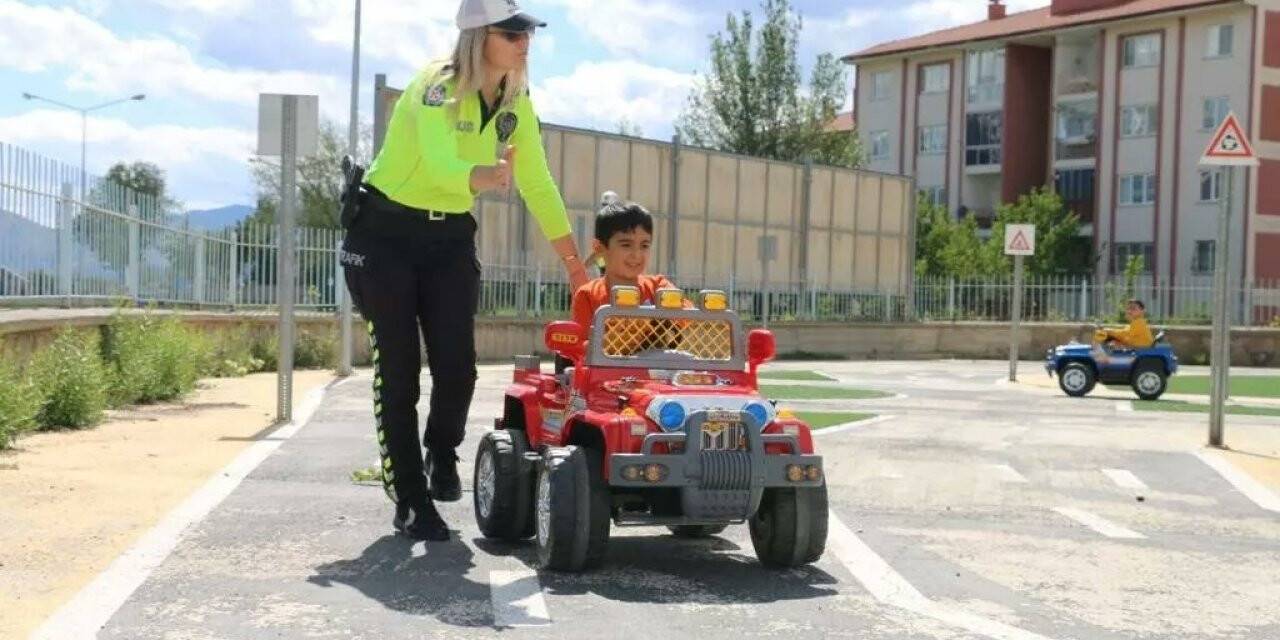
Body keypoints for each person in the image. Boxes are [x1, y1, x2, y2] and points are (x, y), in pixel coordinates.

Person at [339, 0, 589, 542]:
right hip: (384, 234)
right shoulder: (436, 85)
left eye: (528, 32)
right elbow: (434, 160)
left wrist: (572, 263)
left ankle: (440, 450)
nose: (526, 42)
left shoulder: (516, 99)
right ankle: (409, 499)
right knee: (399, 370)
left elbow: (537, 182)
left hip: (448, 235)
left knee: (458, 366)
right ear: (479, 37)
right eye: (513, 32)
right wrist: (481, 174)